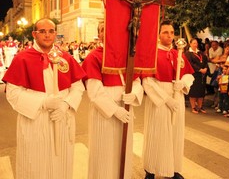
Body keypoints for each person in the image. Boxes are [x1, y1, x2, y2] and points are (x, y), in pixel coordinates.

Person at [2, 18, 86, 179]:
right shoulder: (22, 58)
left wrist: (66, 105)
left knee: (61, 163)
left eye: (51, 31)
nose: (47, 35)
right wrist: (43, 102)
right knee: (35, 166)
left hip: (61, 118)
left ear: (55, 33)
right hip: (35, 122)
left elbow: (78, 87)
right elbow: (13, 93)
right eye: (42, 31)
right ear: (34, 34)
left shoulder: (65, 58)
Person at [82, 22, 143, 179]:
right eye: (102, 30)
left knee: (124, 151)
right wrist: (115, 110)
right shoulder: (93, 57)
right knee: (104, 153)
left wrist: (134, 94)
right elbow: (94, 91)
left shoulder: (127, 56)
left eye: (109, 28)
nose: (106, 32)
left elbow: (136, 81)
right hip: (105, 114)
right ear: (99, 35)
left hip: (126, 109)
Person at [142, 20, 194, 179]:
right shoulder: (152, 53)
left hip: (177, 95)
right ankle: (150, 170)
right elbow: (147, 81)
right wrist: (166, 99)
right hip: (159, 98)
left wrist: (183, 83)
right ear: (158, 35)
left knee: (175, 134)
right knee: (157, 133)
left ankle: (174, 169)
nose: (169, 36)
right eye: (165, 32)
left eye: (172, 32)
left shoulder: (179, 53)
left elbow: (189, 74)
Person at [185, 38, 209, 114]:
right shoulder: (188, 53)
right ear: (190, 44)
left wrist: (205, 68)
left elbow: (205, 61)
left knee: (201, 91)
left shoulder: (200, 53)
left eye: (196, 43)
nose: (196, 44)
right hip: (194, 74)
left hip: (202, 75)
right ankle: (193, 107)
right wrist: (199, 69)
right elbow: (190, 64)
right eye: (194, 43)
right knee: (194, 91)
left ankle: (200, 106)